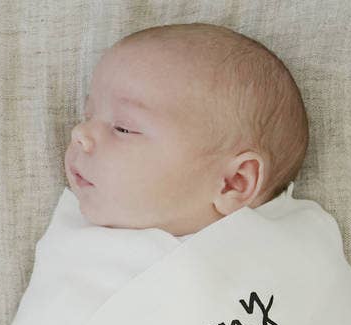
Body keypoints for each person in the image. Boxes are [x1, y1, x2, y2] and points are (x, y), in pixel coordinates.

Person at [63, 22, 308, 237]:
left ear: (233, 182)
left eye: (123, 128)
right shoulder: (73, 236)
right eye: (89, 115)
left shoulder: (282, 253)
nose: (80, 133)